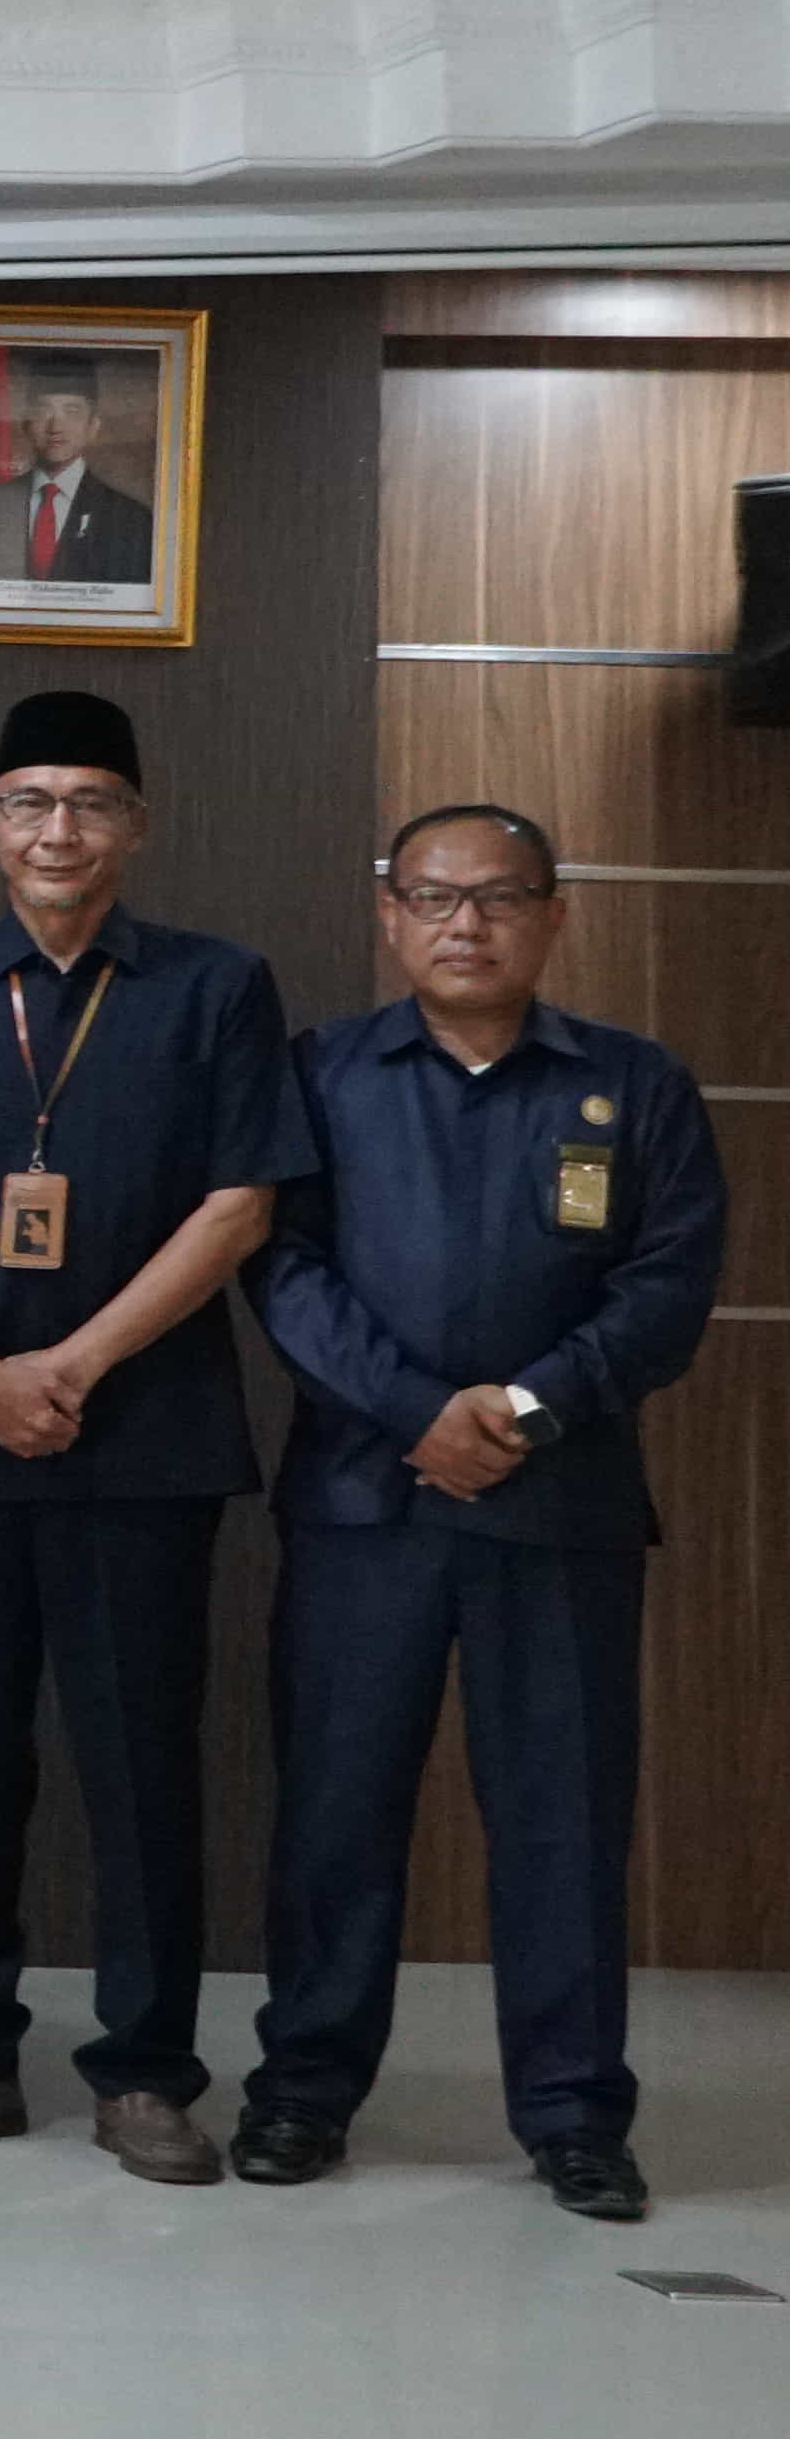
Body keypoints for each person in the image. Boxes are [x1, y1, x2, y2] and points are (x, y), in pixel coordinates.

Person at [236, 805, 724, 2222]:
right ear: (390, 915)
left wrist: (523, 1408)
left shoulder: (635, 1084)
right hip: (365, 1502)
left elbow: (669, 1283)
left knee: (563, 1819)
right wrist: (418, 1413)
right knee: (336, 1813)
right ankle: (304, 2089)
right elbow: (286, 1271)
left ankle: (574, 2114)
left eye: (501, 897)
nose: (467, 924)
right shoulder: (321, 1074)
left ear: (552, 916)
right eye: (437, 898)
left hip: (558, 1507)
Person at [0, 690, 310, 2183]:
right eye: (31, 802)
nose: (60, 830)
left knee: (141, 1762)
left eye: (92, 802)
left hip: (144, 1439)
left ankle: (148, 2071)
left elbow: (241, 1204)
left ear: (136, 826)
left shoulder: (214, 988)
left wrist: (74, 1362)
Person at [0, 355, 151, 589]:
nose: (56, 427)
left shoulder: (130, 518)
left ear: (93, 426)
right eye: (43, 410)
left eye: (72, 411)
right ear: (26, 423)